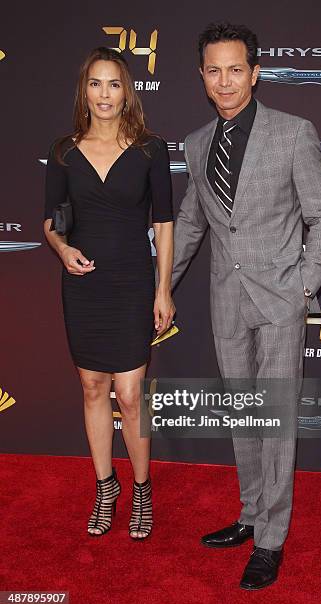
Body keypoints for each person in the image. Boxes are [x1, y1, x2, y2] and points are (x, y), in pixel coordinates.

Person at [171, 23, 321, 589]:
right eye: (213, 70)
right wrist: (159, 286)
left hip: (280, 302)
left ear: (255, 72)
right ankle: (249, 514)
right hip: (227, 302)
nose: (225, 81)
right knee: (245, 419)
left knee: (276, 423)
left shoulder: (294, 133)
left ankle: (271, 538)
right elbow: (193, 223)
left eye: (235, 69)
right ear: (202, 77)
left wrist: (304, 285)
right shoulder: (197, 145)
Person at [43, 47, 175, 539]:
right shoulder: (63, 152)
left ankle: (141, 488)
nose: (104, 94)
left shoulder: (149, 149)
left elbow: (163, 222)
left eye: (113, 84)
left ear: (127, 91)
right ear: (85, 91)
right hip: (83, 285)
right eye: (95, 84)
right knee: (93, 387)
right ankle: (106, 486)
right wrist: (61, 248)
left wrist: (163, 289)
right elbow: (55, 221)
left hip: (131, 282)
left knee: (131, 393)